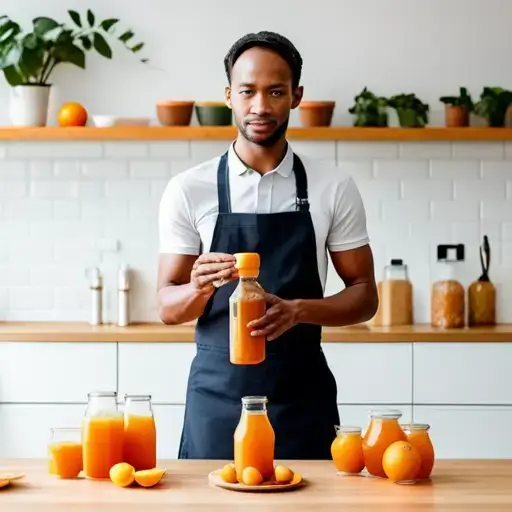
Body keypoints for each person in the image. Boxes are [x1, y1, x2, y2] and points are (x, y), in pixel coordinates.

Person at [157, 31, 378, 461]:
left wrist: (299, 310)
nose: (260, 106)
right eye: (247, 92)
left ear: (295, 96)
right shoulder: (189, 189)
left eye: (275, 91)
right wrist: (200, 287)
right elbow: (167, 306)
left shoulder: (332, 187)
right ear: (228, 96)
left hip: (300, 395)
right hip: (217, 400)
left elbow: (364, 296)